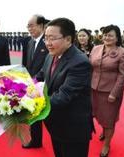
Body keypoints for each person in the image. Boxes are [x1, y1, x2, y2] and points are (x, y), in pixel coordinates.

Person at [36, 18, 93, 157]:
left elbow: (64, 96)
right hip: (56, 125)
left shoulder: (79, 62)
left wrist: (33, 104)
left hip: (73, 129)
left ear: (68, 39)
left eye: (52, 38)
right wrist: (23, 85)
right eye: (46, 38)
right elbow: (42, 75)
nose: (48, 43)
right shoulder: (52, 55)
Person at [89, 24, 124, 157]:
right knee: (98, 115)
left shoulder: (123, 53)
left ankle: (106, 144)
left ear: (117, 38)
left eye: (110, 35)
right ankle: (104, 132)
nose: (107, 37)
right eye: (105, 34)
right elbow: (90, 68)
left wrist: (114, 93)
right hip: (93, 89)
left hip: (110, 93)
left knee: (109, 119)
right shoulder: (96, 48)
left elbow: (122, 76)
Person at [22, 14, 50, 149]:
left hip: (46, 84)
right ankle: (36, 140)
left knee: (49, 117)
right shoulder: (30, 42)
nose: (29, 28)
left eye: (31, 25)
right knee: (33, 113)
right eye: (28, 26)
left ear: (41, 26)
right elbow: (27, 64)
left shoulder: (48, 42)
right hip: (32, 84)